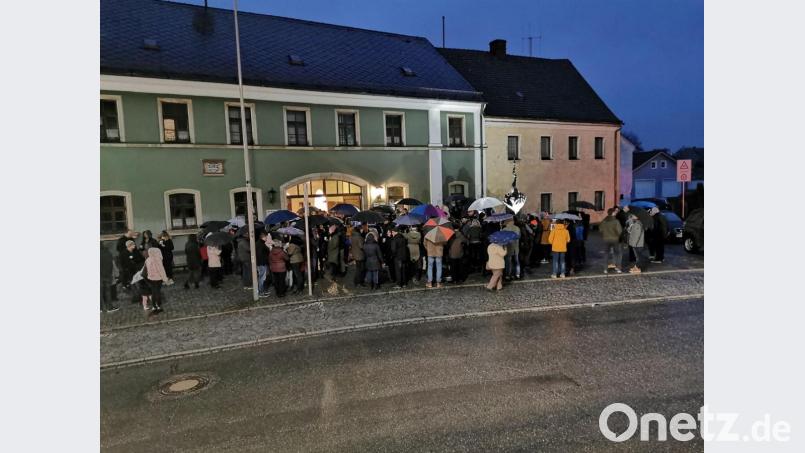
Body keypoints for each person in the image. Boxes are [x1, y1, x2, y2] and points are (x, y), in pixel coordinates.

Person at [144, 247, 169, 314]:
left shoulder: (148, 260)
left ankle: (154, 305)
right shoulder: (157, 259)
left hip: (151, 278)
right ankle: (158, 305)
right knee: (157, 291)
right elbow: (161, 270)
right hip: (158, 278)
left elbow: (146, 270)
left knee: (153, 292)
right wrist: (165, 279)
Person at [600, 208, 624, 274]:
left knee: (606, 254)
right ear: (612, 213)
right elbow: (620, 231)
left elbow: (600, 230)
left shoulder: (604, 221)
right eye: (615, 212)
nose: (616, 213)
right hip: (615, 239)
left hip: (606, 239)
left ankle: (605, 269)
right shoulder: (616, 221)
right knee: (617, 253)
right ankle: (618, 268)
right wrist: (617, 235)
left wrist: (605, 234)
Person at [100, 244, 119, 313]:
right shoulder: (108, 253)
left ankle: (100, 308)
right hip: (107, 275)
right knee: (108, 292)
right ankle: (109, 307)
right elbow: (111, 264)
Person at [256, 231, 270, 297]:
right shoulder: (260, 244)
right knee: (262, 278)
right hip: (262, 263)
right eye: (266, 237)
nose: (267, 238)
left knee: (262, 277)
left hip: (261, 263)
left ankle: (262, 291)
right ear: (263, 237)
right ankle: (261, 292)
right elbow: (261, 254)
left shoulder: (260, 243)